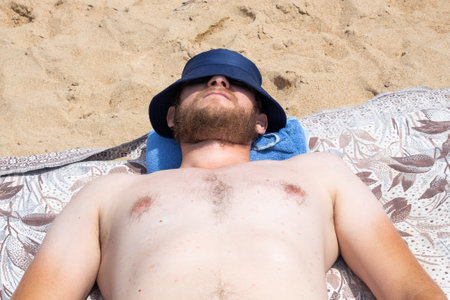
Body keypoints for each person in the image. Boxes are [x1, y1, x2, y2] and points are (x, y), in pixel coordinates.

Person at [12, 49, 445, 300]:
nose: (217, 81)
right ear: (172, 117)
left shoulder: (318, 173)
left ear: (261, 123)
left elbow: (406, 286)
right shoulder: (110, 192)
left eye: (234, 84)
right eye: (200, 81)